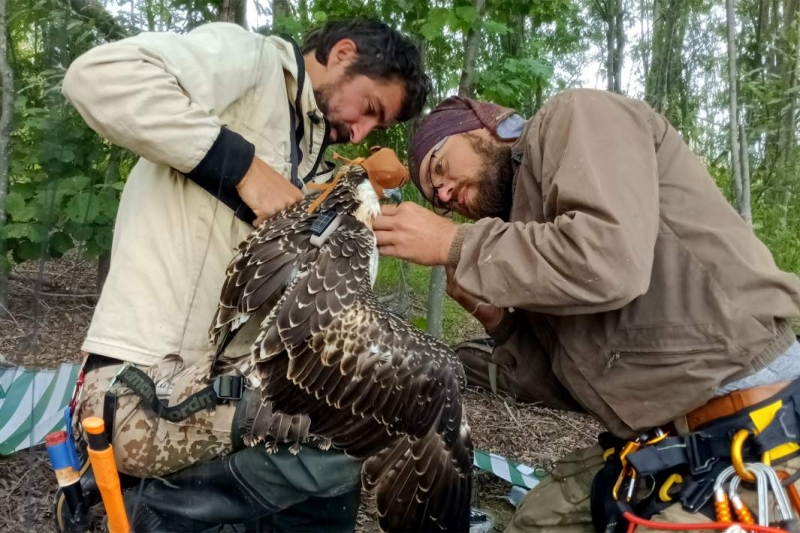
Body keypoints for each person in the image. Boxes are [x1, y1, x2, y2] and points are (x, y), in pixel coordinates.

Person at [57, 19, 429, 532]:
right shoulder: (252, 63)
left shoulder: (317, 169)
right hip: (139, 390)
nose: (361, 132)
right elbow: (98, 76)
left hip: (227, 386)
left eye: (375, 128)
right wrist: (246, 170)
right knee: (356, 420)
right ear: (343, 54)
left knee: (373, 420)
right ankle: (152, 509)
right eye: (369, 109)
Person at [373, 90, 800, 531]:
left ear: (485, 124)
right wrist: (499, 323)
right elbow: (581, 392)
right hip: (654, 440)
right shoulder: (530, 240)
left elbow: (612, 261)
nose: (444, 192)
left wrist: (453, 242)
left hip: (750, 414)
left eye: (440, 167)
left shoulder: (574, 117)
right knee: (536, 522)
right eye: (437, 201)